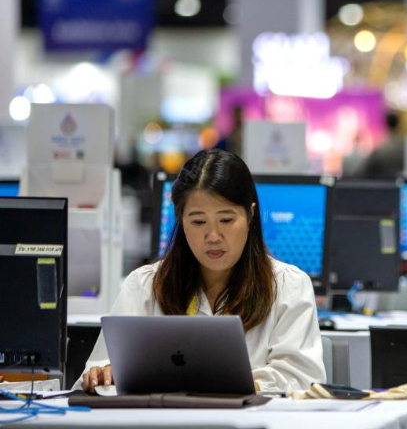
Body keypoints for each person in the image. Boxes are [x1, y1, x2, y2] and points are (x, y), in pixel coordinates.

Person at [78, 149, 326, 393]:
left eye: (226, 220)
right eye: (198, 222)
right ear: (181, 220)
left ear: (250, 216)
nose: (213, 237)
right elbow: (96, 373)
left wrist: (223, 384)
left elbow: (301, 378)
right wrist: (102, 375)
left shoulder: (288, 286)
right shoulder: (144, 285)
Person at [355, 113, 404, 179]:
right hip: (399, 184)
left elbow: (366, 170)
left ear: (386, 124)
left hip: (381, 184)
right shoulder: (403, 147)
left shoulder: (381, 147)